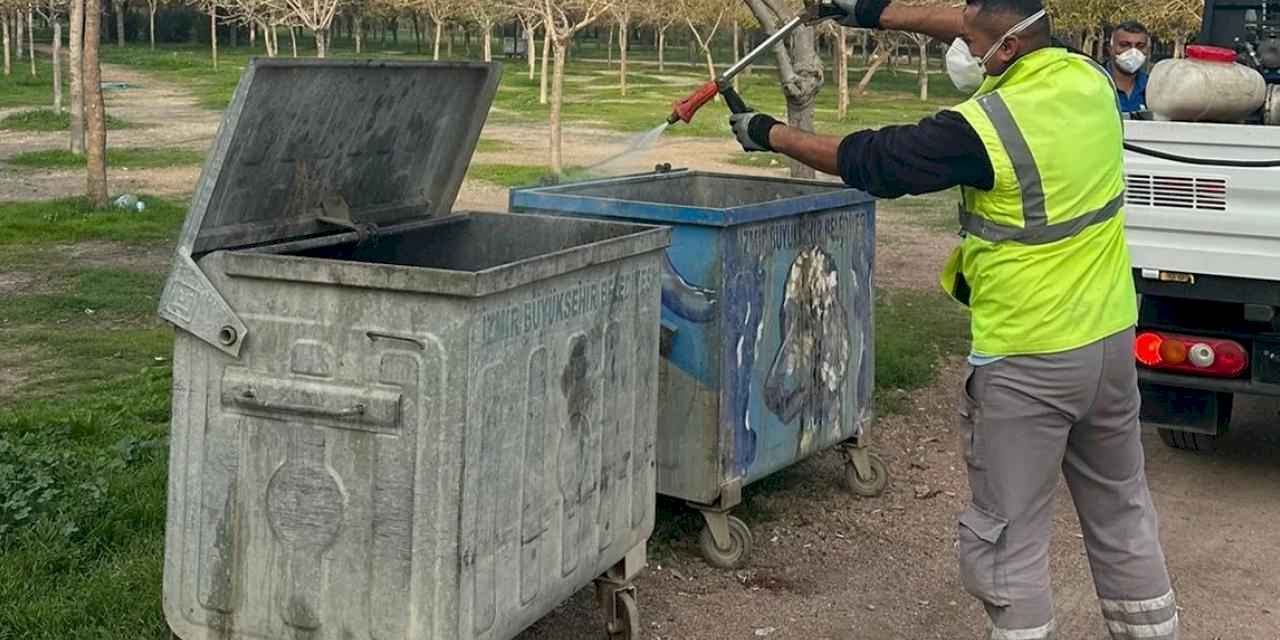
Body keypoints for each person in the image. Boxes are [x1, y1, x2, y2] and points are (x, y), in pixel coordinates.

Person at [727, 1, 1178, 639]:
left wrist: (768, 132)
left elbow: (872, 159)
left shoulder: (984, 129)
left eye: (972, 40)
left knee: (1008, 537)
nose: (962, 48)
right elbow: (985, 20)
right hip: (1108, 342)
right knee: (1122, 510)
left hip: (1028, 357)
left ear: (1008, 49)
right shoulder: (1089, 78)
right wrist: (867, 11)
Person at [1108, 20, 1152, 113]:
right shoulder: (1094, 83)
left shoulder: (1152, 87)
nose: (1133, 52)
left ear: (1148, 50)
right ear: (1110, 49)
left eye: (1140, 46)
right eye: (1124, 45)